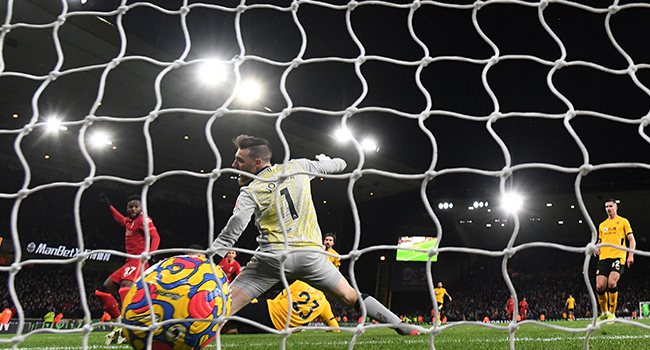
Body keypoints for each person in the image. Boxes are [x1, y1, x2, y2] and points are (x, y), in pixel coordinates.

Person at [211, 135, 417, 336]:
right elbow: (340, 164)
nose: (234, 164)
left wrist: (212, 257)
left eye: (239, 160)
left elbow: (237, 223)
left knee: (226, 303)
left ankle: (188, 330)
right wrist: (327, 161)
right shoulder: (297, 166)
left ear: (257, 163)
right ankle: (401, 325)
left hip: (273, 258)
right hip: (310, 255)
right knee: (349, 296)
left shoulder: (252, 189)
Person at [95, 194, 160, 344]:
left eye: (136, 206)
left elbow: (155, 237)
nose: (133, 209)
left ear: (141, 208)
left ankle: (129, 329)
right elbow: (120, 220)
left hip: (139, 261)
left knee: (125, 289)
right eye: (130, 206)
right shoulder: (129, 221)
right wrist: (109, 206)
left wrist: (150, 254)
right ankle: (120, 323)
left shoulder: (144, 220)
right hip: (128, 262)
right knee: (102, 292)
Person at [222, 280, 339, 334]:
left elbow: (281, 296)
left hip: (269, 310)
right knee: (234, 331)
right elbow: (336, 328)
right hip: (276, 328)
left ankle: (208, 324)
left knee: (231, 312)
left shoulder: (302, 283)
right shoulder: (325, 305)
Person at [594, 199, 635, 322]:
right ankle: (605, 312)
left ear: (616, 208)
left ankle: (612, 314)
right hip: (604, 258)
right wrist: (597, 246)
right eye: (606, 207)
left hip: (618, 256)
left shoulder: (623, 222)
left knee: (612, 282)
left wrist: (631, 255)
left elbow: (631, 240)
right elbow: (601, 240)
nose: (608, 208)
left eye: (611, 206)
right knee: (600, 286)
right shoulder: (602, 225)